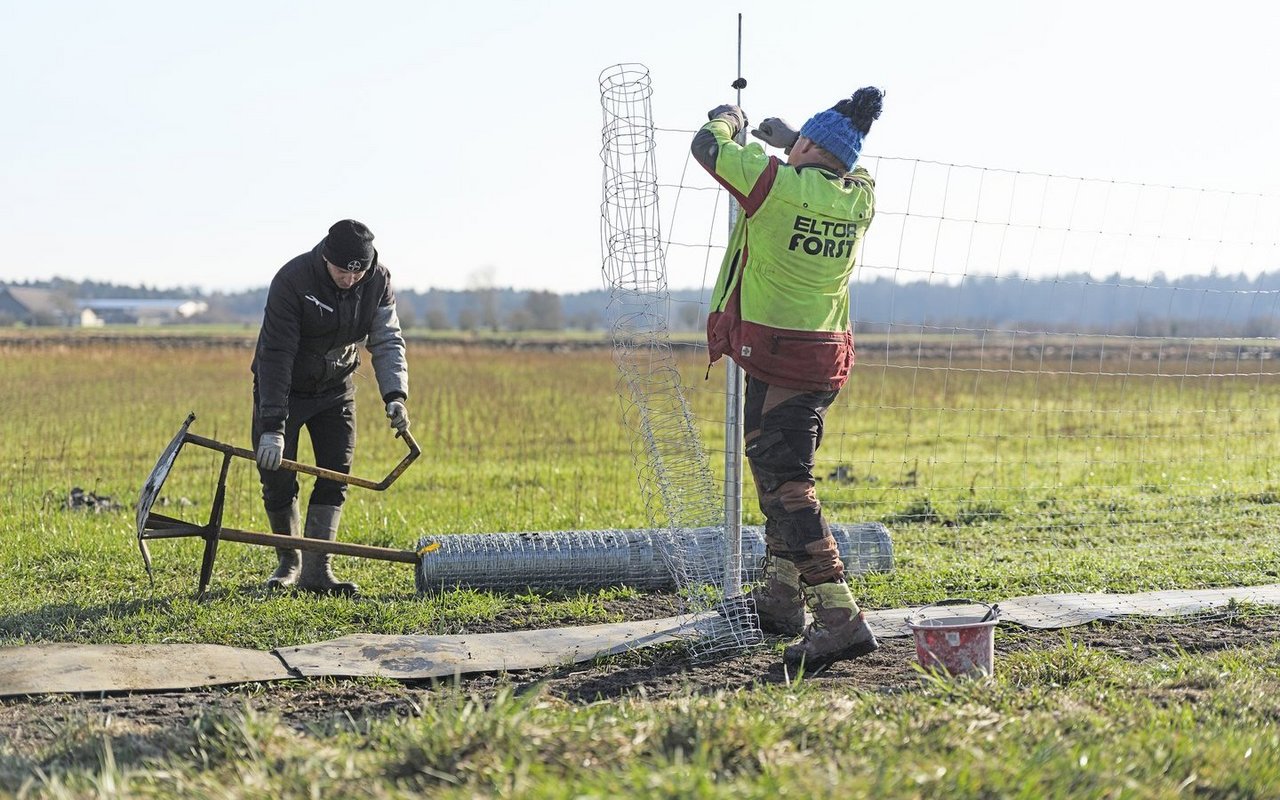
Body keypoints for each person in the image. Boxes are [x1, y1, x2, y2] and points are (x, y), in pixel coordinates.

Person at [692, 87, 885, 670]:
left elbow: (707, 146)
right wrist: (796, 139)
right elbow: (853, 170)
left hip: (782, 353)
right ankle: (780, 601)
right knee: (768, 466)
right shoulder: (860, 200)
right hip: (819, 354)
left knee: (787, 485)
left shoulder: (774, 186)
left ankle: (838, 615)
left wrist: (730, 119)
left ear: (806, 146)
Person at [250, 219, 410, 596]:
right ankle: (290, 562)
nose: (350, 280)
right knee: (276, 472)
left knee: (336, 473)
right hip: (285, 386)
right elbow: (276, 354)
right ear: (326, 258)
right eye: (342, 271)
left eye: (359, 272)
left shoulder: (378, 281)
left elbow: (387, 339)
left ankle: (317, 571)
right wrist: (273, 425)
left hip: (336, 388)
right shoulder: (293, 280)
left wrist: (395, 395)